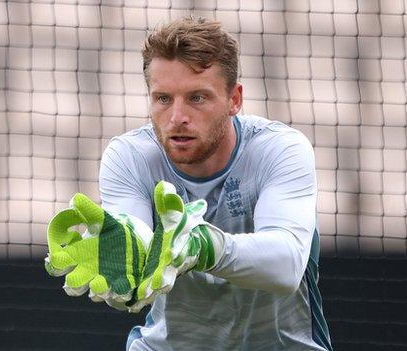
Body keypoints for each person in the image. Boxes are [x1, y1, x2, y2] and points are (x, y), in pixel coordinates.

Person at [96, 16, 333, 350]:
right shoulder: (129, 157)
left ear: (234, 99)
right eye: (163, 99)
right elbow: (136, 247)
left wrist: (201, 246)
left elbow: (286, 265)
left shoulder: (280, 149)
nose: (177, 117)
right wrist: (122, 265)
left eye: (197, 98)